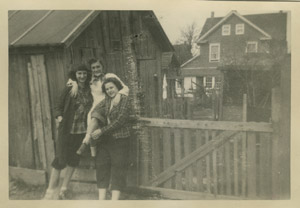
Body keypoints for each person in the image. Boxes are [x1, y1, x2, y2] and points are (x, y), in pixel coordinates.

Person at [43, 64, 93, 200]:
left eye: (84, 73)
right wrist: (60, 118)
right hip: (67, 131)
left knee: (73, 160)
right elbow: (58, 106)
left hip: (81, 132)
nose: (82, 76)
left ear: (87, 75)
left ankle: (63, 190)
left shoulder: (89, 89)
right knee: (59, 160)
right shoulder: (69, 88)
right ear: (75, 75)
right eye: (79, 74)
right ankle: (49, 193)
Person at [84, 77, 132, 200]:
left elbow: (120, 120)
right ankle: (101, 199)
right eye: (107, 89)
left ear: (117, 87)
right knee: (102, 166)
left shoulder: (124, 100)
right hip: (105, 141)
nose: (110, 91)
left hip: (120, 139)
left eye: (112, 87)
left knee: (118, 167)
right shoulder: (106, 101)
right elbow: (94, 111)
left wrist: (101, 130)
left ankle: (114, 201)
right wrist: (95, 124)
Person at [76, 59, 129, 156]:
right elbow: (75, 78)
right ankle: (92, 150)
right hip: (96, 105)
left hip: (109, 103)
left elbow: (125, 88)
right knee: (92, 117)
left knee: (97, 118)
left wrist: (118, 95)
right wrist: (73, 83)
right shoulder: (89, 79)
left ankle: (87, 144)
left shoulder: (110, 76)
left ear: (102, 67)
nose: (96, 69)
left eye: (98, 67)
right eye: (93, 68)